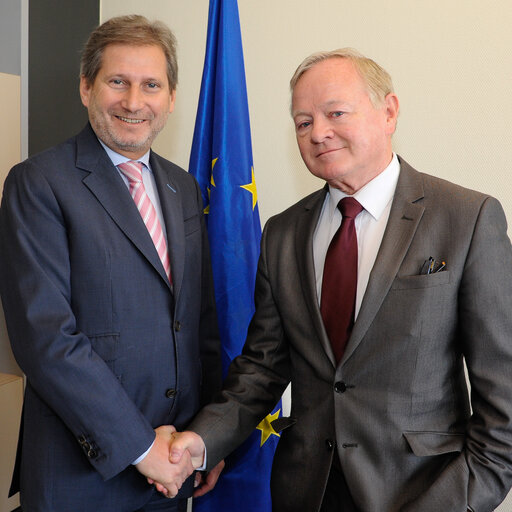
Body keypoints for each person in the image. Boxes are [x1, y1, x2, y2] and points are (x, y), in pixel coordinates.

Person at [165, 48, 512, 511]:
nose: (318, 133)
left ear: (388, 111)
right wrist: (201, 442)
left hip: (424, 493)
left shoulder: (467, 219)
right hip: (305, 493)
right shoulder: (283, 233)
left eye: (336, 113)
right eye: (303, 122)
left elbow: (504, 402)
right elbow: (262, 368)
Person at [0, 14, 223, 512]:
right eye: (117, 81)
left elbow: (198, 324)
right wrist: (141, 449)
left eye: (151, 85)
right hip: (82, 474)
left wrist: (206, 439)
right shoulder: (38, 183)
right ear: (86, 87)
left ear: (170, 98)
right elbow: (46, 339)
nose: (133, 101)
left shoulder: (182, 186)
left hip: (172, 469)